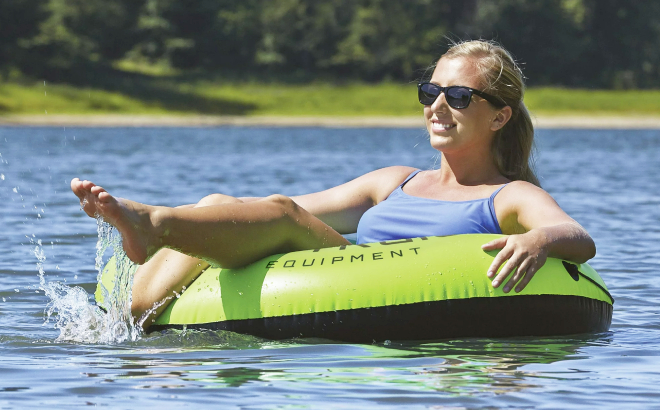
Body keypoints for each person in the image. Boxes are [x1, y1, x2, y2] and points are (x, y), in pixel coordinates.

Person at [71, 40, 596, 329]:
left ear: (500, 117)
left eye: (458, 97)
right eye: (429, 91)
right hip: (338, 268)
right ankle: (137, 304)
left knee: (278, 213)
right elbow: (286, 211)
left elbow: (574, 236)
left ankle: (154, 223)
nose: (437, 107)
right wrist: (225, 214)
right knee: (220, 204)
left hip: (400, 290)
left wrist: (535, 241)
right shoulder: (393, 182)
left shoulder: (507, 195)